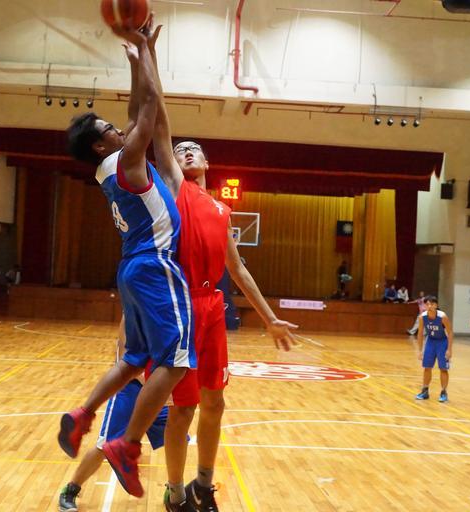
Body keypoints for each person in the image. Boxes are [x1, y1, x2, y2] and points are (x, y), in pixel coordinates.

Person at [130, 29, 298, 511]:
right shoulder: (173, 185)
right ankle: (175, 490)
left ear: (207, 161)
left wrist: (269, 318)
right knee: (182, 407)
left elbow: (239, 270)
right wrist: (149, 55)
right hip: (179, 305)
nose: (184, 152)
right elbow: (159, 119)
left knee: (215, 402)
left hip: (212, 308)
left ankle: (204, 483)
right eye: (180, 150)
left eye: (193, 149)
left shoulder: (222, 210)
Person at [58, 17, 195, 500]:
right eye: (109, 129)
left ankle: (83, 413)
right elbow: (150, 108)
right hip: (157, 264)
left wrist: (140, 57)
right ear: (102, 144)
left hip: (132, 268)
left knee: (136, 358)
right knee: (176, 361)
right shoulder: (128, 160)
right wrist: (147, 59)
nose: (119, 129)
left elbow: (136, 111)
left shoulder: (109, 167)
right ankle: (127, 445)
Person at [58, 319, 169, 511]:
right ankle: (71, 489)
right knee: (104, 446)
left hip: (156, 389)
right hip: (129, 389)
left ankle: (175, 489)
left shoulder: (164, 314)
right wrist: (158, 381)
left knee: (176, 437)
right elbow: (126, 361)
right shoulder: (131, 317)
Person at [415, 295, 453, 403]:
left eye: (431, 304)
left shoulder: (442, 317)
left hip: (442, 342)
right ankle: (425, 391)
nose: (429, 306)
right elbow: (420, 334)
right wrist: (420, 351)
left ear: (436, 305)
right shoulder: (422, 317)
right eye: (427, 304)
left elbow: (450, 332)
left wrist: (449, 350)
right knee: (427, 367)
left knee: (443, 368)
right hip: (430, 342)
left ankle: (444, 392)